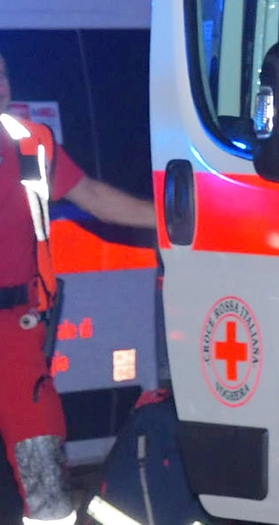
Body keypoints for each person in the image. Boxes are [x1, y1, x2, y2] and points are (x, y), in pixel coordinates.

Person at [0, 51, 155, 525]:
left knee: (42, 458)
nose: (0, 85)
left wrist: (174, 221)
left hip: (15, 328)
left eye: (2, 73)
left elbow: (92, 197)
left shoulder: (28, 145)